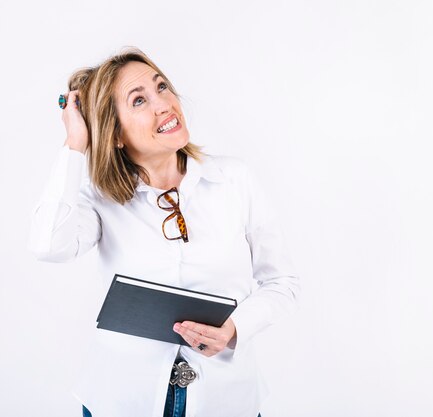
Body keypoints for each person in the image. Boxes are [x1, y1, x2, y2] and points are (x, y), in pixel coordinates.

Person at [28, 47, 299, 417]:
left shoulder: (234, 179)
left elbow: (281, 281)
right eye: (139, 100)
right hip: (121, 400)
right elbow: (48, 245)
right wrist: (75, 144)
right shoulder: (99, 199)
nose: (164, 104)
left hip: (226, 401)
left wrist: (234, 329)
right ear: (116, 135)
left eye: (162, 87)